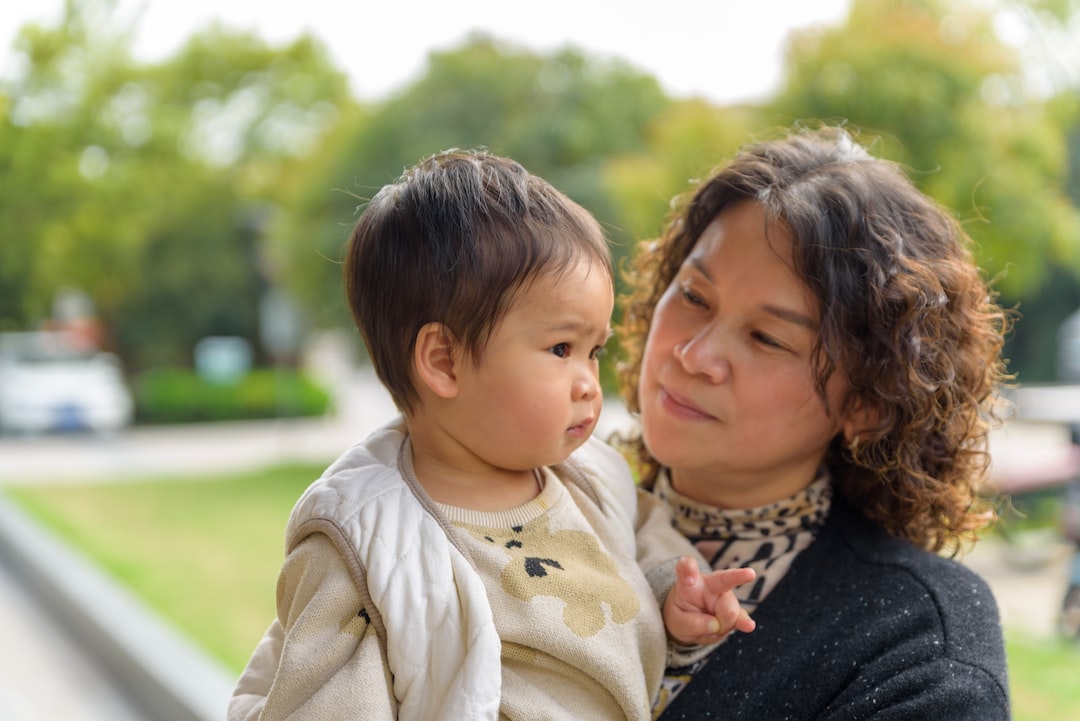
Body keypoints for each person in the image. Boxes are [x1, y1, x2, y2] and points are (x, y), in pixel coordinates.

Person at [227, 149, 755, 721]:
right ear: (444, 361)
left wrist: (676, 597)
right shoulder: (365, 546)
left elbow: (645, 540)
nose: (588, 383)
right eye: (561, 349)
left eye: (593, 351)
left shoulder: (590, 478)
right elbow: (323, 703)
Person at [614, 126, 1013, 719]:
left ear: (868, 403)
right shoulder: (551, 511)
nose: (694, 356)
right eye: (694, 296)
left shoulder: (919, 646)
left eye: (767, 337)